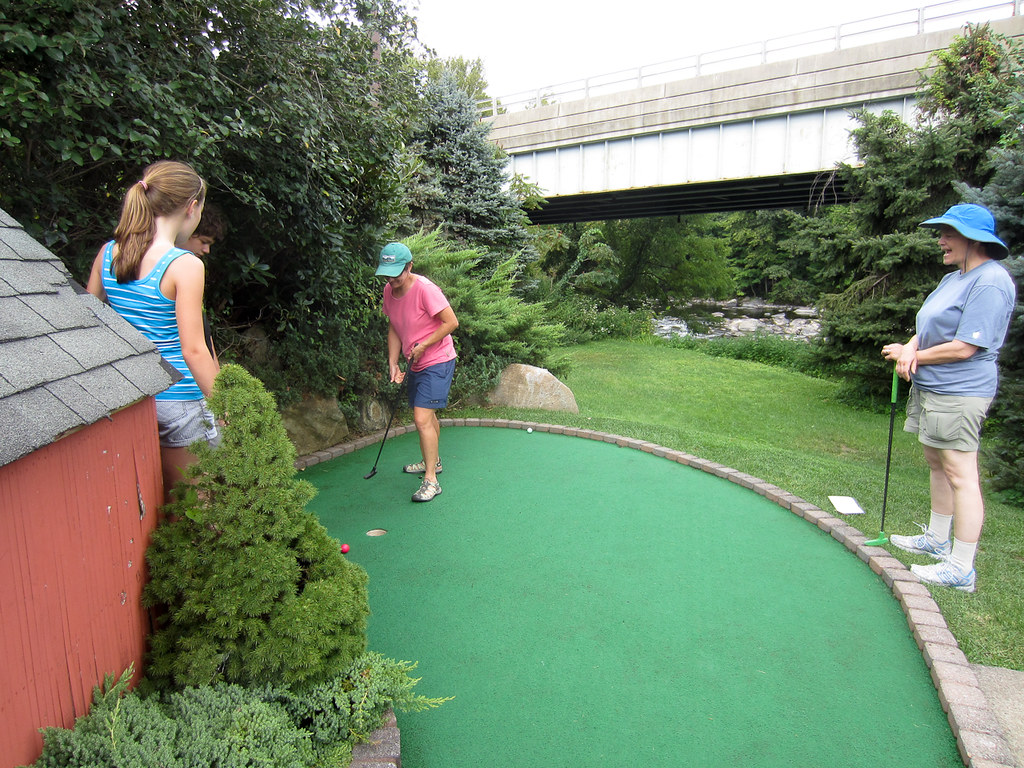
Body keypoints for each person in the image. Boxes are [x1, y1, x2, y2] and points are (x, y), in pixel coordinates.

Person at [882, 203, 1016, 593]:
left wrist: (913, 357)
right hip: (931, 387)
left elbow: (964, 348)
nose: (940, 240)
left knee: (961, 473)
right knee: (936, 462)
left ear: (973, 239)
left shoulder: (990, 281)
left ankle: (961, 568)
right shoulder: (954, 278)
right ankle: (937, 539)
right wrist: (910, 347)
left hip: (960, 392)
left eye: (948, 233)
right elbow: (926, 327)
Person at [87, 161, 221, 502]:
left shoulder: (108, 253)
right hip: (181, 403)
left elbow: (91, 318)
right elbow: (193, 350)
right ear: (192, 208)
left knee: (159, 500)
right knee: (198, 508)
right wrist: (228, 405)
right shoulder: (185, 265)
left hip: (137, 398)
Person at [376, 242, 459, 502]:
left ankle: (431, 481)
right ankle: (433, 461)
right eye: (387, 274)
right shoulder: (389, 291)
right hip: (415, 361)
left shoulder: (425, 289)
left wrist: (424, 344)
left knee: (422, 418)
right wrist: (393, 362)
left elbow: (451, 322)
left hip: (437, 359)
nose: (392, 279)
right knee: (427, 415)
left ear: (409, 266)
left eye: (397, 273)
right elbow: (394, 326)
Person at [177, 202, 228, 362]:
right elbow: (193, 349)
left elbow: (202, 328)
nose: (207, 250)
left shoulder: (190, 268)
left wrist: (215, 368)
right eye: (203, 241)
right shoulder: (187, 269)